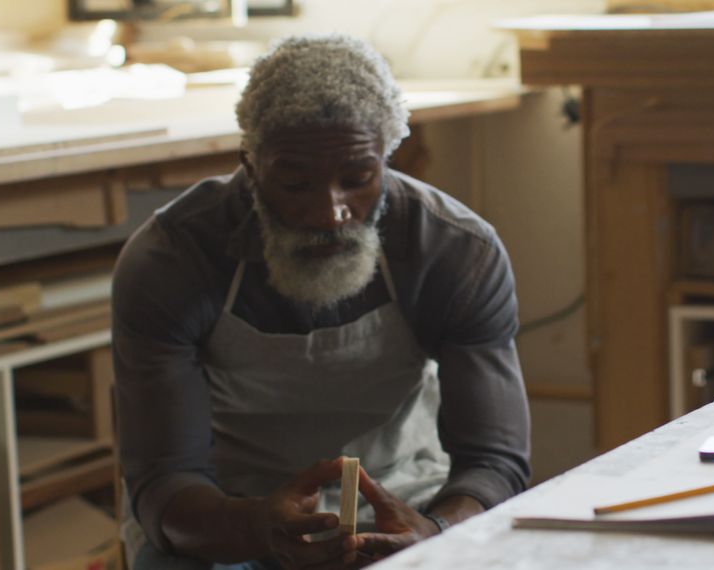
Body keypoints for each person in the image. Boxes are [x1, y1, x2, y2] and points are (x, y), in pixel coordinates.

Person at [111, 33, 531, 569]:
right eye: (294, 183)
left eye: (356, 180)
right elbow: (165, 481)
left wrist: (436, 528)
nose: (329, 213)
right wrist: (255, 528)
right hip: (224, 508)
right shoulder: (173, 259)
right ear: (251, 164)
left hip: (407, 499)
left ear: (386, 158)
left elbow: (495, 461)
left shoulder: (453, 251)